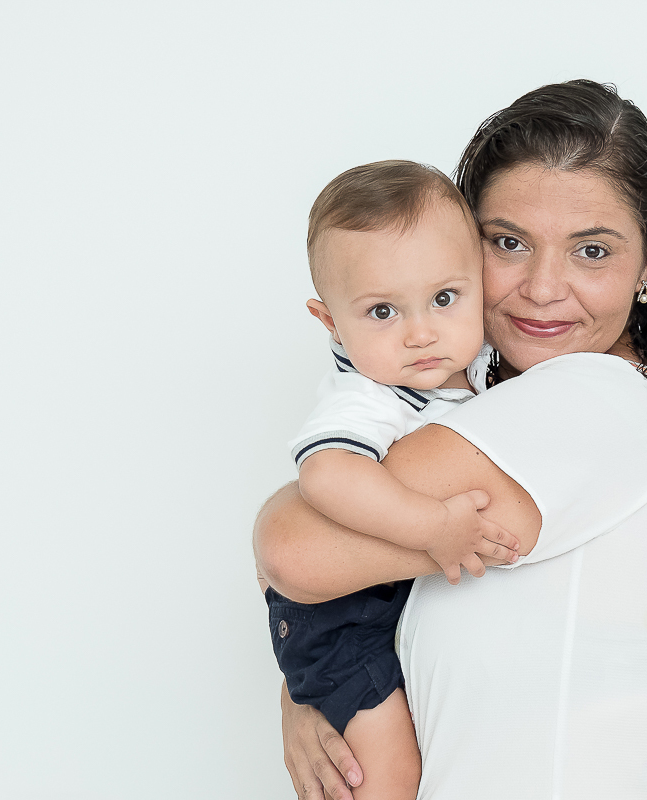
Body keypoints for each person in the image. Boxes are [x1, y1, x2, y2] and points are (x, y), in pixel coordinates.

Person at [254, 79, 647, 800]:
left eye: (592, 250)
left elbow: (289, 548)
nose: (545, 287)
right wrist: (309, 686)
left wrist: (306, 669)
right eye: (509, 242)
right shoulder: (525, 414)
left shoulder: (590, 402)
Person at [266, 160, 522, 800]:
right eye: (382, 311)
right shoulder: (369, 398)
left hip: (381, 600)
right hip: (340, 619)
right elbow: (326, 475)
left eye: (445, 297)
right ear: (331, 324)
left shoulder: (479, 364)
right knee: (385, 777)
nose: (421, 333)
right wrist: (433, 528)